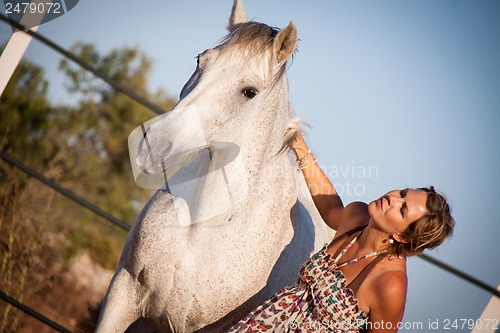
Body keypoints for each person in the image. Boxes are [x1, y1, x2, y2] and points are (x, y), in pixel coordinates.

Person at [227, 132, 454, 333]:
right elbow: (331, 207)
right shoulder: (357, 216)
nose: (393, 198)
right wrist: (298, 145)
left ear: (402, 237)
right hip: (264, 324)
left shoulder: (390, 283)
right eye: (403, 192)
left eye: (402, 208)